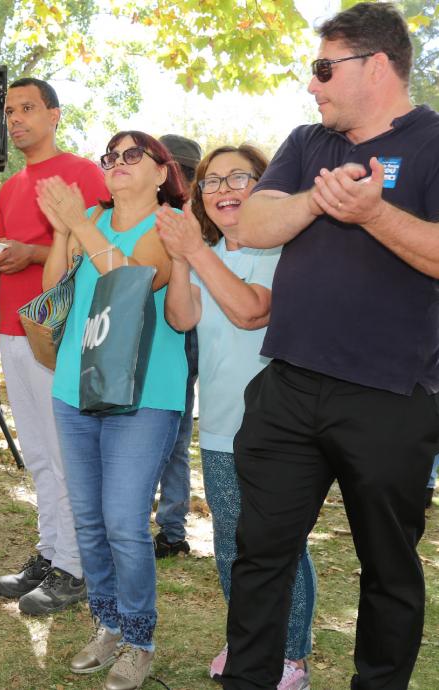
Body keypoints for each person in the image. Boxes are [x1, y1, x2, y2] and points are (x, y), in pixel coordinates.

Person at [221, 4, 439, 689]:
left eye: (323, 68)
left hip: (390, 397)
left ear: (375, 66)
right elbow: (252, 224)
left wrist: (372, 212)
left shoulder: (433, 143)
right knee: (259, 554)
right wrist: (318, 202)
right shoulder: (307, 142)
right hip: (289, 386)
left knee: (388, 569)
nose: (311, 85)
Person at [156, 144, 315, 689]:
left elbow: (251, 312)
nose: (223, 190)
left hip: (281, 431)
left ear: (265, 187)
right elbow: (181, 317)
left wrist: (196, 254)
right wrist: (181, 257)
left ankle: (291, 657)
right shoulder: (205, 255)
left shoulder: (280, 251)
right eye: (211, 181)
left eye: (238, 178)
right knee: (230, 542)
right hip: (221, 423)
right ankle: (249, 638)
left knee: (277, 546)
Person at [36, 131, 188, 690]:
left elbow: (129, 278)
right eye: (111, 156)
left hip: (146, 392)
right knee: (90, 520)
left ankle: (139, 639)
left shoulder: (168, 225)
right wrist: (62, 232)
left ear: (159, 171)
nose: (118, 164)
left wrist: (77, 225)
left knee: (125, 522)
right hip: (76, 387)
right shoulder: (89, 221)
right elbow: (56, 293)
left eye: (132, 156)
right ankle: (107, 624)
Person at [0, 77, 108, 615]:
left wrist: (33, 254)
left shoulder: (84, 173)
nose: (15, 119)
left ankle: (78, 568)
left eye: (28, 109)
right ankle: (51, 552)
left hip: (58, 337)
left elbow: (101, 250)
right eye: (10, 111)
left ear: (55, 115)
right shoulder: (10, 187)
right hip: (13, 331)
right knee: (37, 452)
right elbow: (12, 251)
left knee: (65, 455)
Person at [152, 133, 202, 558]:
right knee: (168, 434)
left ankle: (171, 529)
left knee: (173, 434)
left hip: (187, 334)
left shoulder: (196, 216)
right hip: (163, 332)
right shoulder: (149, 213)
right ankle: (169, 527)